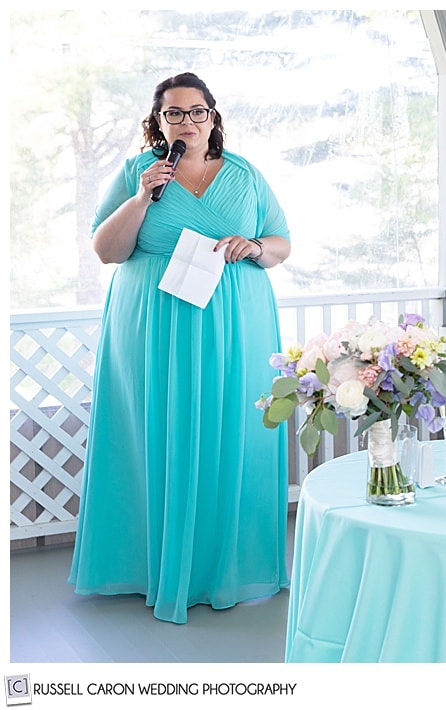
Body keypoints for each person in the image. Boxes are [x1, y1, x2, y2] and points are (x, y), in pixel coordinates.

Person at [68, 72, 292, 624]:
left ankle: (223, 566)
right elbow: (106, 250)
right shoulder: (135, 174)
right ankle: (152, 566)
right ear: (158, 121)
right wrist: (144, 196)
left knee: (228, 433)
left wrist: (256, 245)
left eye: (196, 112)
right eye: (174, 114)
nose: (186, 122)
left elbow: (282, 243)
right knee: (155, 433)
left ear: (212, 117)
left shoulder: (245, 175)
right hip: (153, 322)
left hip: (234, 323)